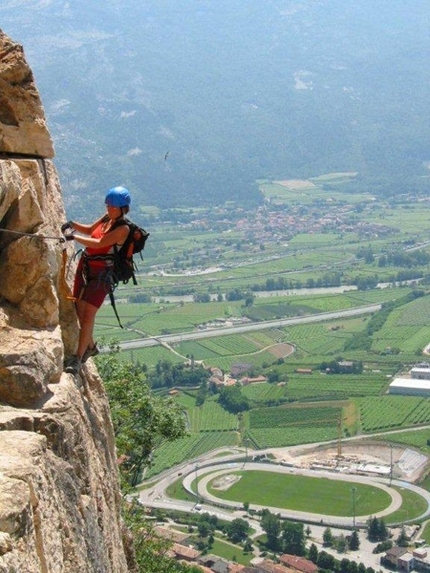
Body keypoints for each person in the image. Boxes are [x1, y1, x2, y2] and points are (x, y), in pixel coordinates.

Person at [62, 186, 131, 375]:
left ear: (123, 209)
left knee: (88, 314)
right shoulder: (107, 218)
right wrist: (73, 225)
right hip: (87, 268)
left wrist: (73, 237)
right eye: (108, 206)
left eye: (113, 207)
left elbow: (100, 243)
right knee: (79, 309)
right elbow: (91, 230)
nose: (109, 209)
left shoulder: (123, 229)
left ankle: (78, 358)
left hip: (102, 275)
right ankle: (91, 347)